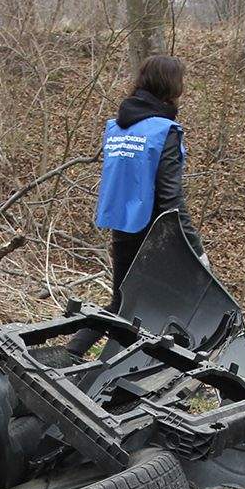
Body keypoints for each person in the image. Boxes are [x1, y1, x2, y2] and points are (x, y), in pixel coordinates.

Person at [94, 54, 206, 312]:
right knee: (167, 311)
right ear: (171, 86)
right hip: (154, 233)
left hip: (121, 225)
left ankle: (83, 340)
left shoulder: (117, 128)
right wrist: (196, 250)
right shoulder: (164, 131)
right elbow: (170, 199)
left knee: (122, 305)